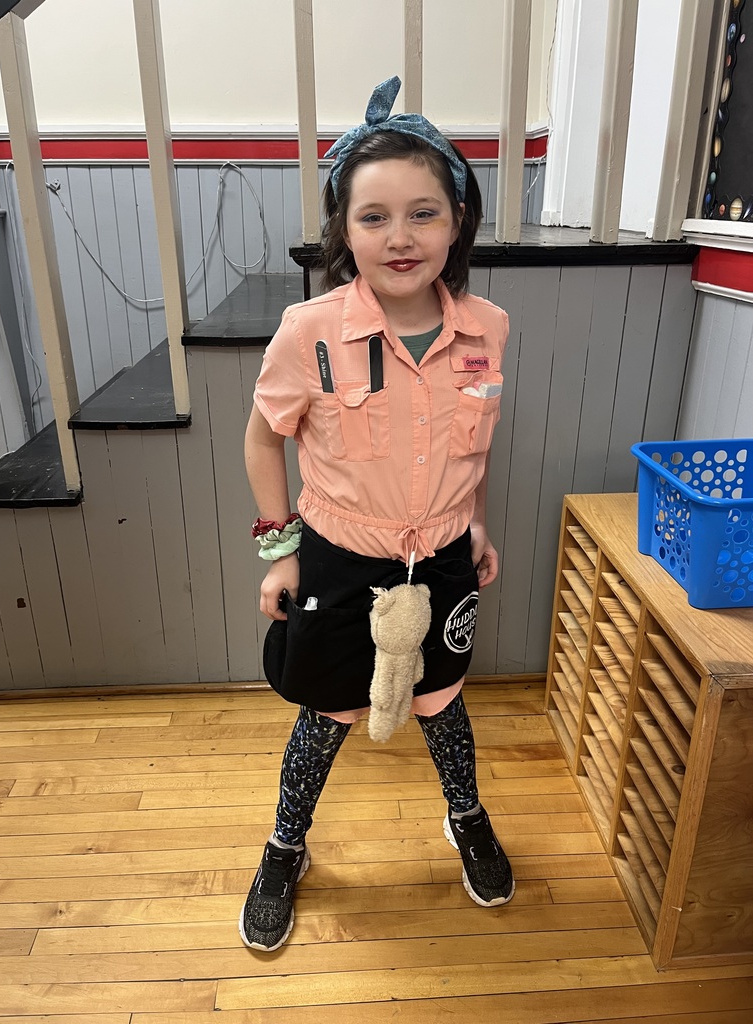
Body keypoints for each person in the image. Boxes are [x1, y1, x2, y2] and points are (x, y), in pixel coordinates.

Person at [241, 76, 513, 952]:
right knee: (327, 710)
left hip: (439, 558)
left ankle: (465, 816)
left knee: (441, 699)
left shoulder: (487, 331)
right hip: (336, 559)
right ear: (342, 230)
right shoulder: (307, 332)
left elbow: (466, 446)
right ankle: (287, 846)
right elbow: (261, 440)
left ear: (459, 221)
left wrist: (471, 524)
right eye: (373, 217)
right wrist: (281, 553)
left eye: (424, 213)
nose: (400, 238)